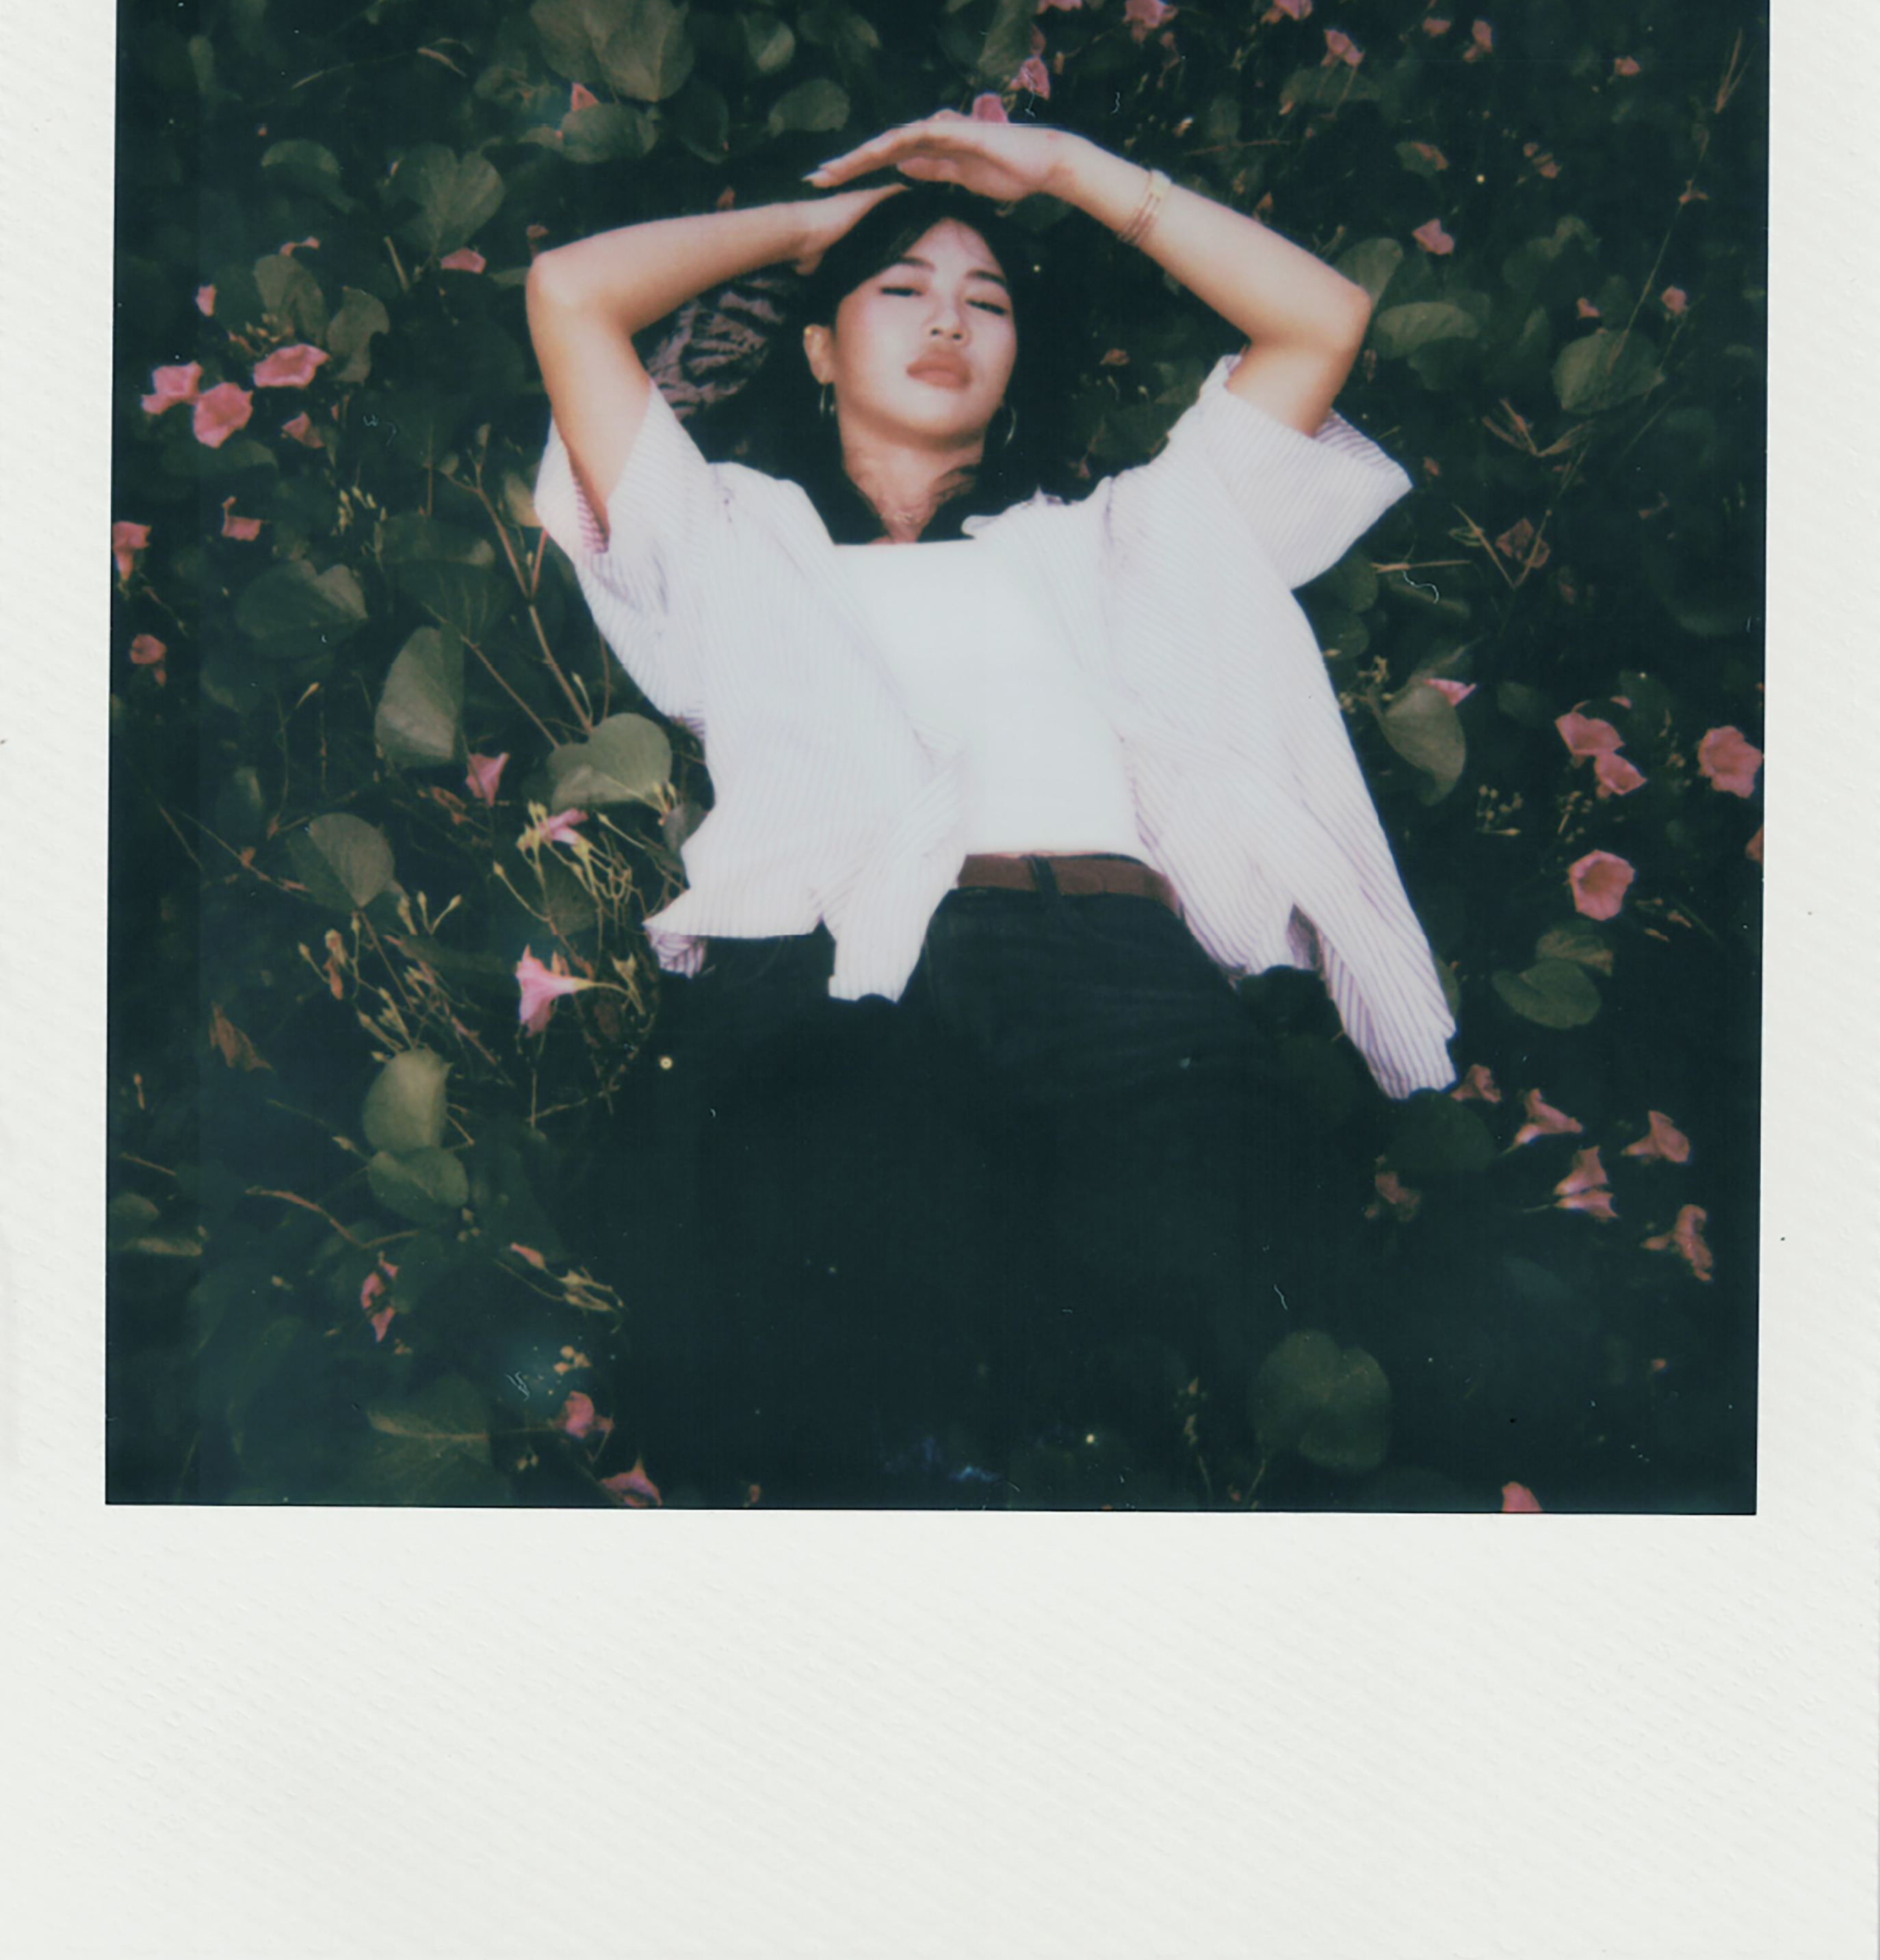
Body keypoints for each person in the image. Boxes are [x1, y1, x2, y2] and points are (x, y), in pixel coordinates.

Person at [526, 112, 1458, 1506]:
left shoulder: (1115, 540)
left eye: (989, 299)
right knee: (857, 1408)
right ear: (817, 346)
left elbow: (1321, 320)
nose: (948, 320)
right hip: (839, 972)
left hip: (1113, 970)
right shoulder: (726, 539)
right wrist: (824, 225)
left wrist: (1066, 171)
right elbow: (569, 293)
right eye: (900, 289)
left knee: (1253, 1329)